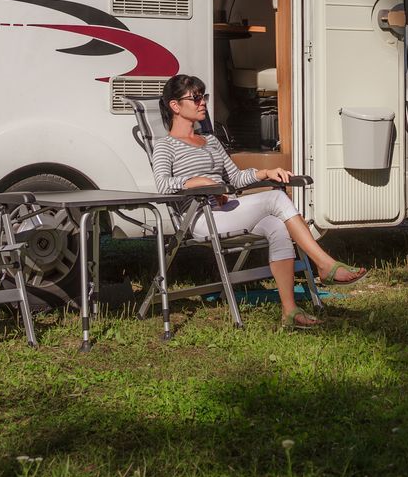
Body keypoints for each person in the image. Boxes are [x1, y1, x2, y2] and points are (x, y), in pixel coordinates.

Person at [151, 74, 365, 330]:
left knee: (276, 226)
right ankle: (324, 264)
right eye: (196, 97)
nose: (203, 103)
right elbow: (163, 184)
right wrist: (200, 181)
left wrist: (264, 173)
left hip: (226, 208)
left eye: (203, 96)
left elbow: (236, 177)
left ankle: (290, 311)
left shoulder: (211, 141)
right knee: (275, 197)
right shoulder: (165, 146)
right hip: (200, 218)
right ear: (175, 106)